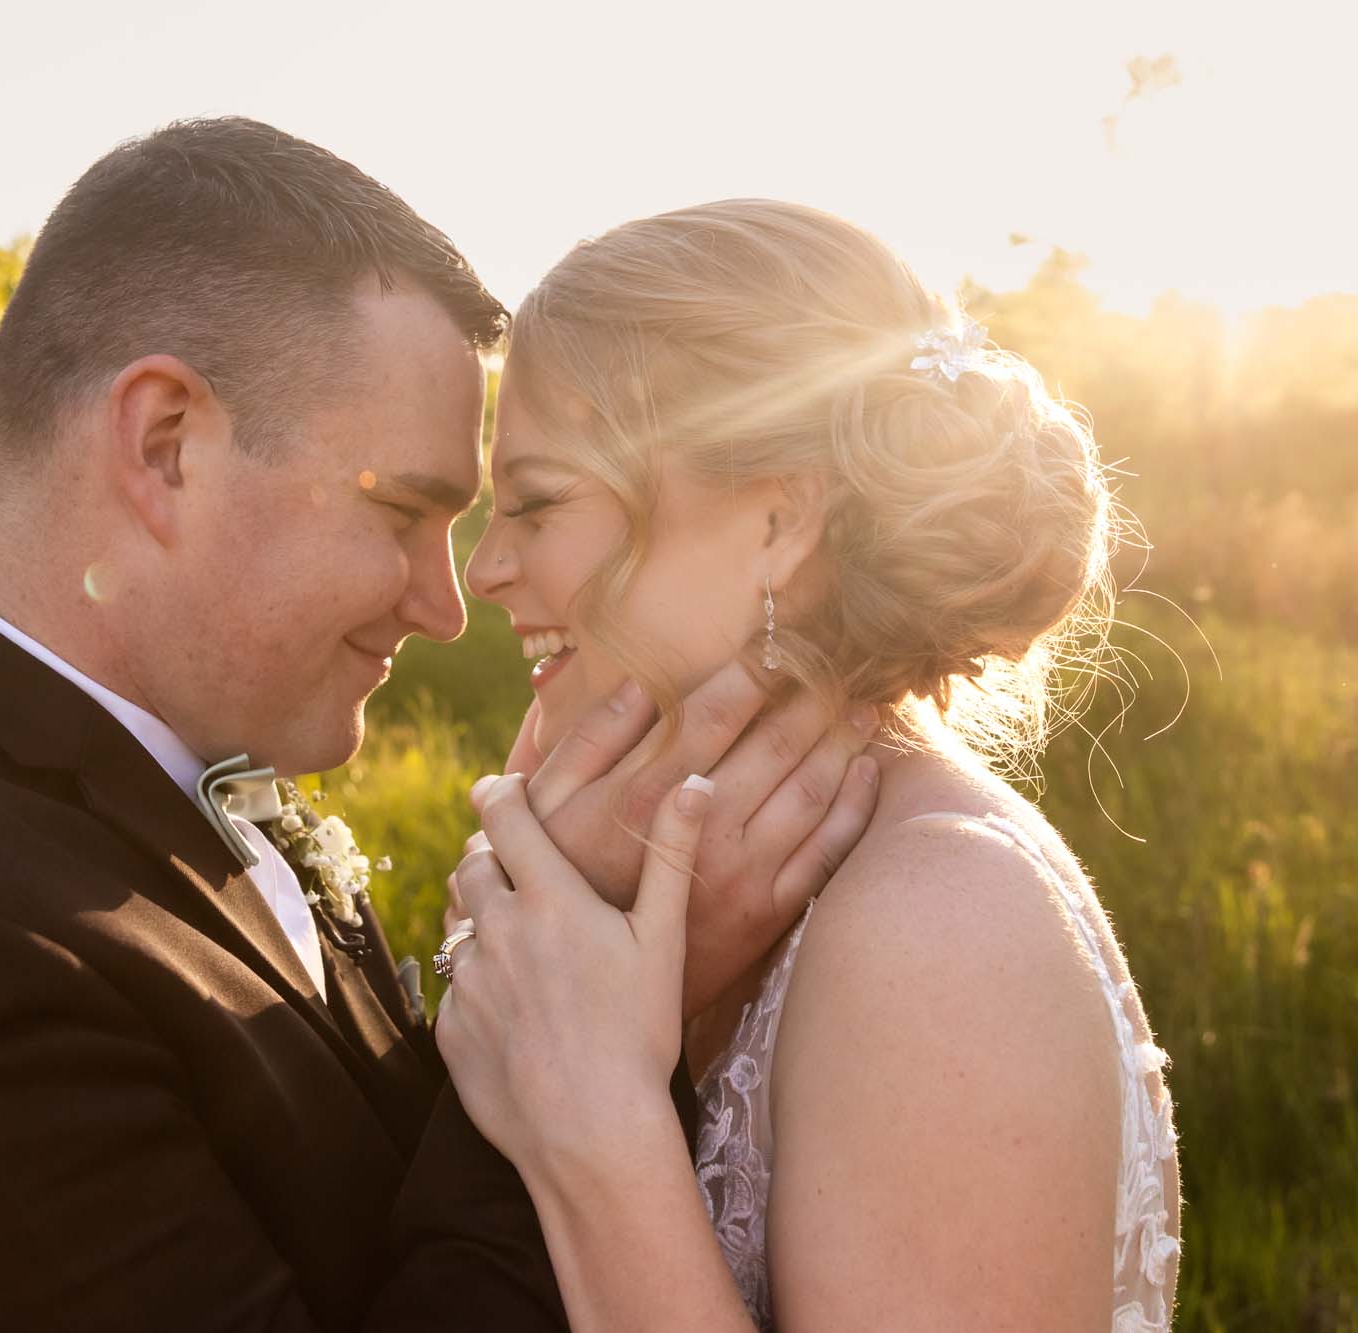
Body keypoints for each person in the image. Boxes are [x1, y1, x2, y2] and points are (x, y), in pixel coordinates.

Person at [0, 123, 877, 1331]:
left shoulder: (117, 769)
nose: (444, 602)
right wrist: (586, 1035)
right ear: (167, 442)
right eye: (404, 514)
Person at [434, 199, 1181, 1331]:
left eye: (535, 502)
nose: (482, 569)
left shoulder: (937, 927)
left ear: (779, 519)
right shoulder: (695, 857)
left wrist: (587, 1119)